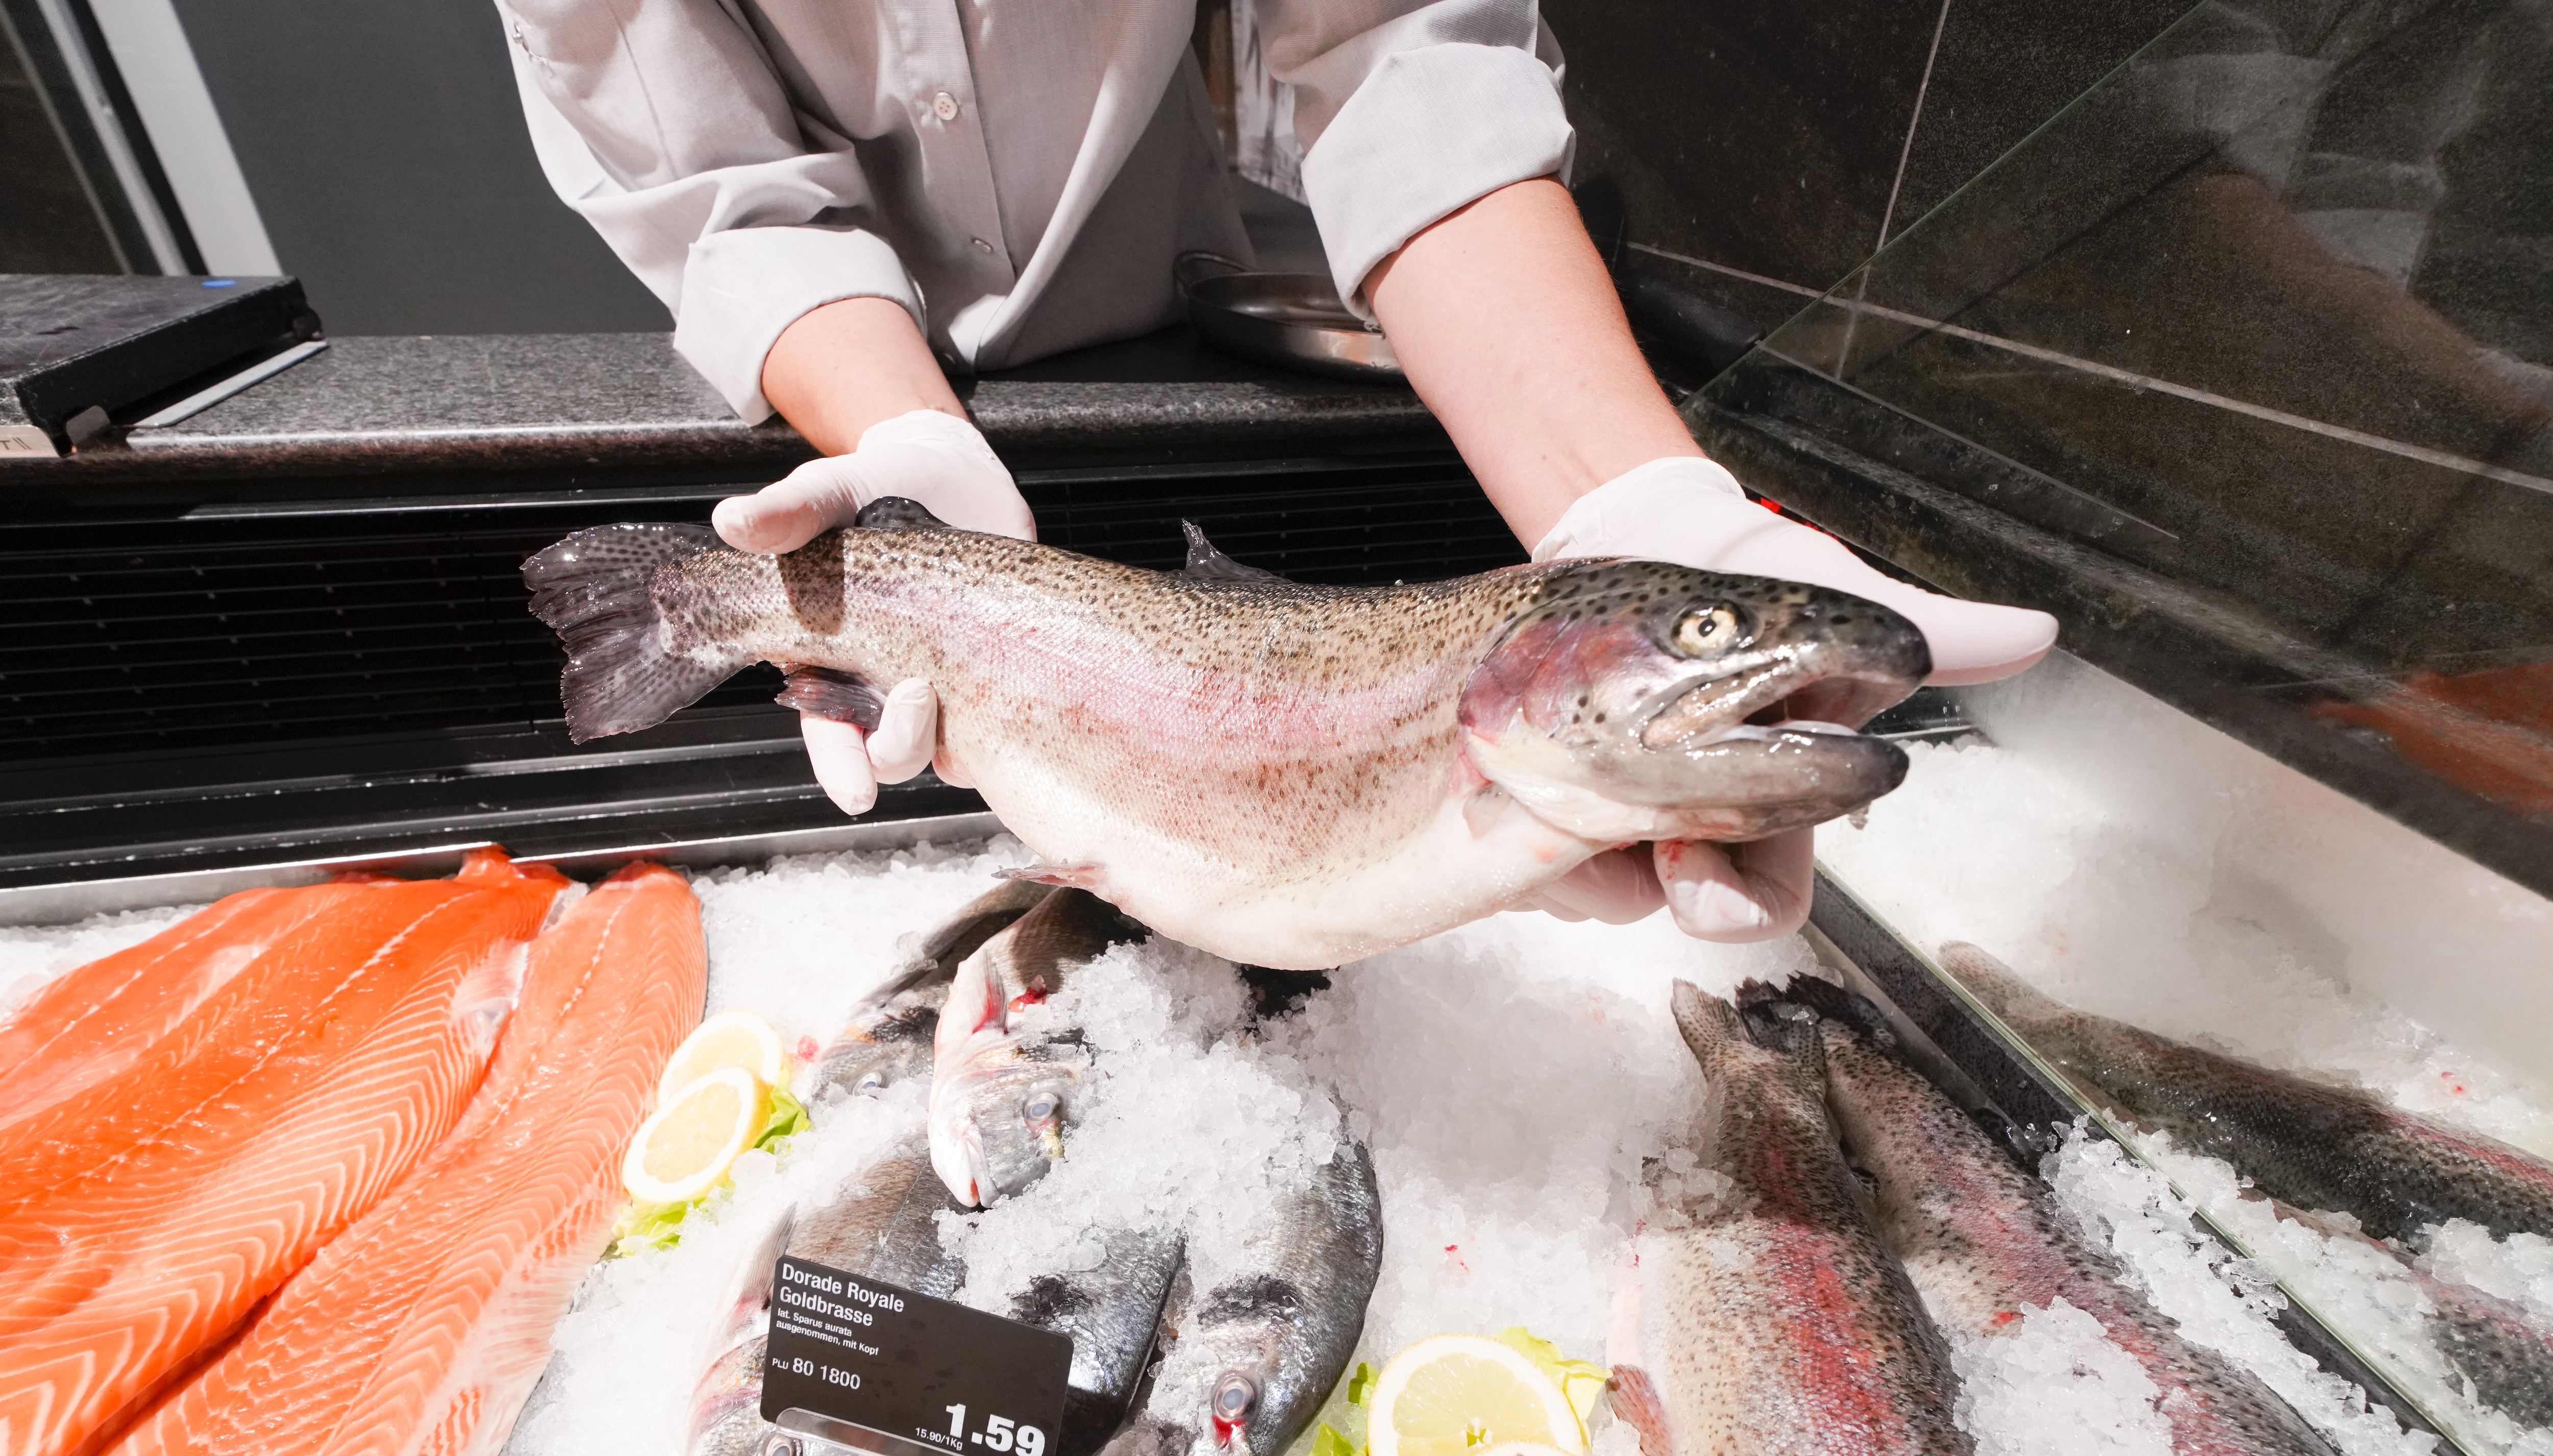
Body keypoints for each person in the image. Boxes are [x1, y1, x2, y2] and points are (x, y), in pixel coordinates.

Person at [500, 0, 2055, 943]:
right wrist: (897, 446)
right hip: (835, 392)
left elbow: (1394, 54)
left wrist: (1629, 499)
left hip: (1169, 328)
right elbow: (715, 187)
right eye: (1698, 635)